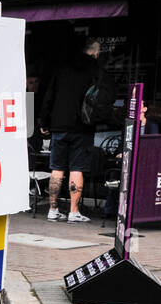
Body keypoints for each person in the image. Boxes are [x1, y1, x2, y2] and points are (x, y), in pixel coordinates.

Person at [38, 38, 109, 223]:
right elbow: (104, 100)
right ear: (95, 53)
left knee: (57, 169)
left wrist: (44, 121)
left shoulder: (62, 68)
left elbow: (49, 96)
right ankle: (73, 211)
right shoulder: (96, 71)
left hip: (59, 125)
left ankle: (53, 210)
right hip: (82, 127)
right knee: (77, 169)